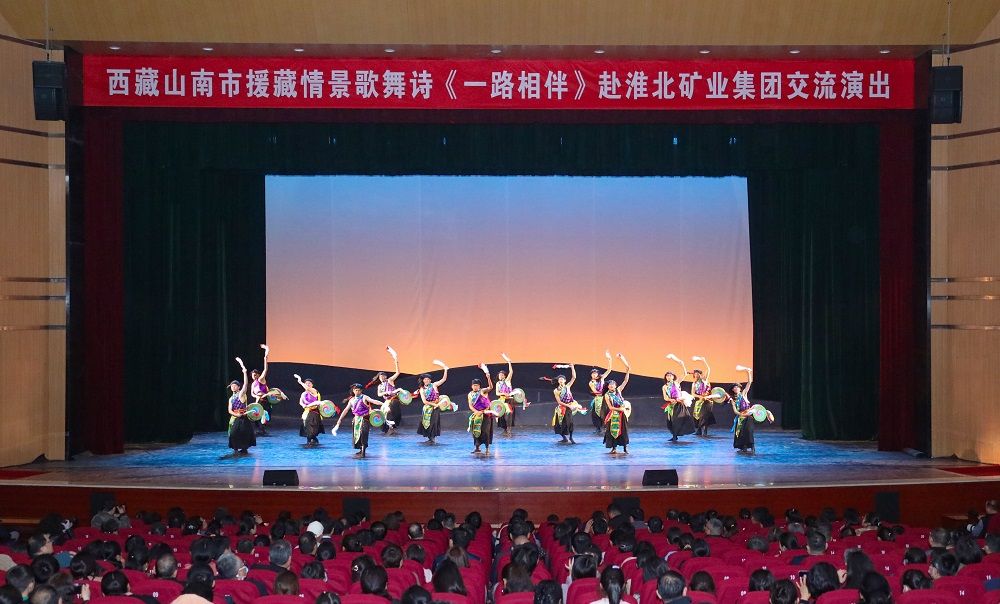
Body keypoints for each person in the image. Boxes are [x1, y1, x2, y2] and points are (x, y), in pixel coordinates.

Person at [333, 384, 381, 458]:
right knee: (357, 435)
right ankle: (361, 449)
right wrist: (339, 420)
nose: (357, 392)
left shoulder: (364, 397)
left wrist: (382, 404)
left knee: (363, 433)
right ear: (353, 391)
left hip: (364, 418)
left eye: (359, 390)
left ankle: (363, 451)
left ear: (361, 391)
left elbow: (373, 401)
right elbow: (346, 410)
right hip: (356, 419)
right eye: (356, 390)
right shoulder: (351, 400)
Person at [250, 344, 287, 436]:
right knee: (256, 416)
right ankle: (260, 430)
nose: (254, 376)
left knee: (264, 415)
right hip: (258, 401)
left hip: (264, 400)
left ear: (258, 375)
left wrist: (265, 356)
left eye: (255, 374)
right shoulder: (253, 384)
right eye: (253, 375)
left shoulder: (261, 380)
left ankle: (262, 430)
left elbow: (265, 369)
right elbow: (252, 394)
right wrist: (256, 396)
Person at [227, 357, 256, 455]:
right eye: (231, 386)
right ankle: (235, 449)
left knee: (244, 434)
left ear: (238, 387)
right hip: (236, 417)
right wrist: (236, 415)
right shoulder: (231, 398)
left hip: (243, 418)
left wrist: (244, 371)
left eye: (234, 386)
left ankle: (244, 449)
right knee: (233, 433)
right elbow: (229, 410)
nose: (232, 387)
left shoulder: (241, 394)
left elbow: (246, 384)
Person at [603, 354, 631, 455]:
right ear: (608, 387)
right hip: (613, 414)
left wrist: (627, 371)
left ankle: (625, 448)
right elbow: (610, 407)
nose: (611, 386)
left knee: (623, 431)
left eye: (613, 384)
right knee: (612, 431)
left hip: (622, 415)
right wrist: (620, 409)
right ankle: (614, 448)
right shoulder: (607, 395)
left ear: (615, 386)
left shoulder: (619, 390)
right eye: (610, 385)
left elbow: (626, 380)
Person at [663, 356, 696, 442]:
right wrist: (670, 400)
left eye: (670, 375)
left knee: (678, 420)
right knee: (672, 421)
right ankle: (674, 435)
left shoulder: (677, 383)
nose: (668, 377)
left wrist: (681, 364)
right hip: (671, 405)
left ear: (673, 377)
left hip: (679, 404)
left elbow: (685, 373)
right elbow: (665, 397)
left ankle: (675, 436)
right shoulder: (665, 387)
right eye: (667, 376)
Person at [416, 361, 450, 443]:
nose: (426, 380)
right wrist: (434, 404)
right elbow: (424, 401)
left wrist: (445, 370)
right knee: (427, 423)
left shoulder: (434, 385)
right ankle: (430, 438)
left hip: (435, 407)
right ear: (423, 380)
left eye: (428, 379)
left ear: (430, 380)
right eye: (425, 379)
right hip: (428, 408)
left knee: (434, 423)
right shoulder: (422, 389)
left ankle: (433, 438)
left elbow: (444, 379)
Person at [467, 365, 495, 455]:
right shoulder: (470, 394)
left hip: (485, 414)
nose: (475, 387)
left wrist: (488, 377)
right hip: (477, 414)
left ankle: (487, 449)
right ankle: (477, 448)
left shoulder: (482, 391)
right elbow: (470, 405)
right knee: (476, 430)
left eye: (477, 385)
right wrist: (476, 412)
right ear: (471, 386)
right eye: (474, 385)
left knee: (485, 431)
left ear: (479, 386)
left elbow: (490, 387)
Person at [375, 346, 402, 436]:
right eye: (380, 376)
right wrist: (384, 393)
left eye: (383, 376)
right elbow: (379, 394)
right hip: (386, 401)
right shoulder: (380, 386)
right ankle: (390, 428)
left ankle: (392, 427)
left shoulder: (390, 380)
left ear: (386, 377)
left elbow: (398, 372)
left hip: (393, 400)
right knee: (383, 414)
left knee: (390, 411)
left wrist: (396, 361)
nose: (382, 377)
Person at [728, 366, 756, 453]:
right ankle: (744, 447)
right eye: (734, 387)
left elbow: (749, 383)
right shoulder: (733, 400)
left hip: (748, 416)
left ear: (740, 388)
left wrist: (748, 372)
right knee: (741, 433)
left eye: (737, 387)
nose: (736, 388)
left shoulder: (743, 394)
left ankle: (752, 447)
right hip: (740, 417)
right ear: (733, 390)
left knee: (748, 431)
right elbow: (735, 411)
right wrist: (742, 414)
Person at [293, 374, 325, 447]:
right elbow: (300, 402)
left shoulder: (314, 391)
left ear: (312, 385)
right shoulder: (303, 393)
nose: (307, 384)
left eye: (309, 383)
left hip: (314, 412)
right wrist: (303, 405)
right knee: (306, 427)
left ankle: (311, 441)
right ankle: (312, 440)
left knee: (311, 427)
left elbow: (307, 388)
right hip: (307, 412)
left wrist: (300, 381)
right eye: (306, 383)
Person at [550, 364, 579, 444]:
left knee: (570, 423)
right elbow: (559, 402)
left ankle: (571, 437)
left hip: (569, 408)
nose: (561, 380)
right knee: (559, 424)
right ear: (558, 381)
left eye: (562, 379)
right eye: (559, 379)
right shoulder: (556, 390)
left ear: (565, 381)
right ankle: (564, 438)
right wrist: (568, 405)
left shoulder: (568, 386)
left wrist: (572, 367)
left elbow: (574, 377)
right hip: (561, 408)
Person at [588, 351, 614, 435]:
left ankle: (606, 427)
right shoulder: (591, 382)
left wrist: (609, 359)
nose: (594, 375)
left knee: (606, 411)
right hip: (598, 399)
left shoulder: (602, 378)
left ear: (598, 374)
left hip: (605, 398)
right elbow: (595, 392)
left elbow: (609, 370)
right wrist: (604, 392)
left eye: (595, 373)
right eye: (593, 374)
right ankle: (598, 428)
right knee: (595, 413)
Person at [689, 357, 716, 437]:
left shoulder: (704, 380)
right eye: (695, 373)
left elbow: (708, 369)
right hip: (699, 401)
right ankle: (699, 430)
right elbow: (693, 393)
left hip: (707, 401)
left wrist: (704, 361)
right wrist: (699, 396)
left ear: (701, 374)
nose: (696, 375)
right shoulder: (694, 383)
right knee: (698, 416)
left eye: (698, 373)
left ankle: (705, 430)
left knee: (705, 416)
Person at [495, 353, 519, 437]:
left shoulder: (507, 381)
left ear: (505, 376)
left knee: (509, 414)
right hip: (502, 400)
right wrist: (503, 393)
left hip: (509, 400)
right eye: (499, 375)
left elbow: (511, 372)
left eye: (501, 375)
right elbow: (497, 393)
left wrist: (509, 362)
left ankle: (509, 428)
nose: (500, 376)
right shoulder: (498, 383)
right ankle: (505, 429)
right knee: (501, 415)